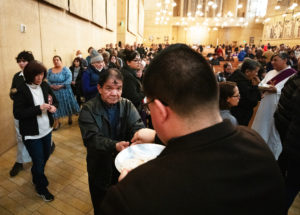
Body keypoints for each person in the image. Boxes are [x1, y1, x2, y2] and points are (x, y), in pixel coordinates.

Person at [100, 44, 285, 215]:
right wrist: (157, 137)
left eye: (149, 105)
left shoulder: (133, 196)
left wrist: (130, 193)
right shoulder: (257, 143)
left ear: (161, 110)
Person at [78, 68, 145, 215]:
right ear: (99, 88)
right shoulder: (88, 109)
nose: (114, 93)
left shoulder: (127, 105)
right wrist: (114, 145)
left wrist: (138, 138)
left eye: (118, 88)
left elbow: (137, 126)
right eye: (109, 88)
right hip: (100, 166)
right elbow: (91, 139)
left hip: (124, 165)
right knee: (101, 204)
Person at [13, 60, 58, 201]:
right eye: (36, 75)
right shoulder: (22, 90)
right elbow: (18, 113)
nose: (39, 77)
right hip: (32, 134)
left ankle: (36, 175)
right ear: (29, 74)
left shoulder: (44, 85)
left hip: (47, 129)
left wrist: (53, 107)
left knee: (45, 156)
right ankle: (41, 187)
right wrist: (38, 108)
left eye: (41, 74)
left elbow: (55, 101)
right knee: (38, 161)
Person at [252, 53, 297, 159]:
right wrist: (260, 85)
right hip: (265, 103)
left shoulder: (292, 74)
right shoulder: (271, 72)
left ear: (285, 60)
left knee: (274, 129)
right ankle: (258, 149)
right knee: (262, 126)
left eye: (275, 60)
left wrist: (276, 90)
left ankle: (273, 154)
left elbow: (291, 92)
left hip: (278, 106)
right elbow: (262, 84)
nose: (272, 63)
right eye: (272, 60)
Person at [9, 51, 34, 177]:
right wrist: (16, 94)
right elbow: (12, 93)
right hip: (20, 111)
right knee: (20, 137)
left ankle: (37, 158)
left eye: (24, 60)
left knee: (34, 136)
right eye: (19, 61)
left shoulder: (35, 74)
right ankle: (19, 162)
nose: (21, 63)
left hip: (33, 112)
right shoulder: (17, 76)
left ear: (30, 61)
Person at [47, 56, 79, 129]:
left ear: (61, 61)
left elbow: (69, 78)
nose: (56, 61)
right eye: (54, 60)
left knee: (67, 104)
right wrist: (51, 86)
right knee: (55, 106)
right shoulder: (50, 70)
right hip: (54, 92)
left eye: (57, 60)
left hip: (65, 90)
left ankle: (70, 117)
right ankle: (57, 122)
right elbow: (47, 79)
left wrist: (61, 85)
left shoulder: (65, 69)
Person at [228, 59, 261, 126]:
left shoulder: (235, 76)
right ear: (247, 72)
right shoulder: (242, 83)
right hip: (240, 114)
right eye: (256, 72)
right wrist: (255, 87)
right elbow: (251, 101)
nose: (256, 74)